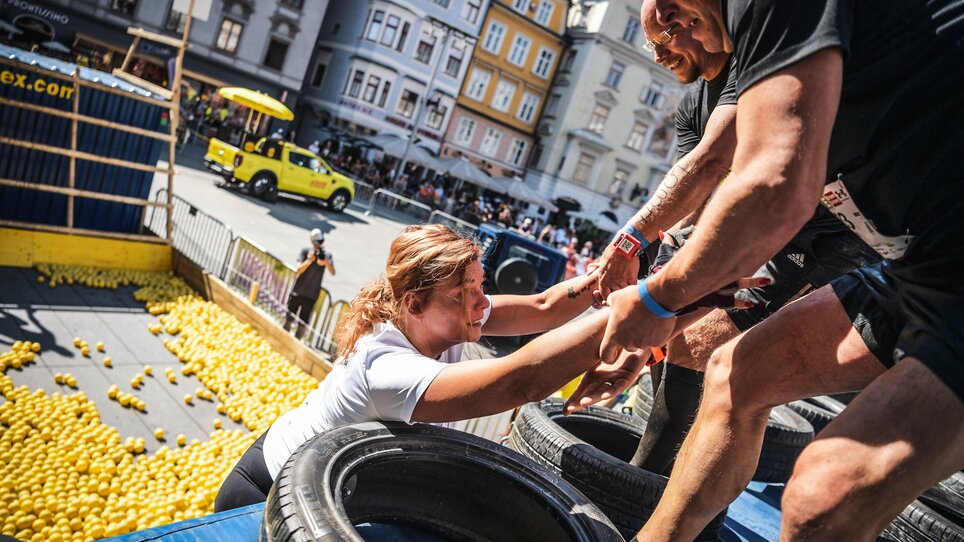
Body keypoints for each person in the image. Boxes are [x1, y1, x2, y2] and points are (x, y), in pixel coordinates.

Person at [578, 1, 964, 540]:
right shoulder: (730, 58)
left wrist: (657, 299)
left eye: (669, 22)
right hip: (920, 259)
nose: (665, 28)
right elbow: (724, 209)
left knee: (820, 499)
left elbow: (774, 188)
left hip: (918, 255)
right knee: (734, 374)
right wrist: (664, 308)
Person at [581, 3, 878, 476]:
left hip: (826, 224)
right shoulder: (691, 106)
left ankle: (638, 492)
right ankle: (653, 488)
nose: (659, 56)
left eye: (664, 39)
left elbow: (712, 166)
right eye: (650, 47)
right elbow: (689, 206)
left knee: (700, 346)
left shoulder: (752, 59)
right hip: (778, 222)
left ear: (690, 20)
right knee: (672, 340)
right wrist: (657, 281)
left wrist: (629, 246)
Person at [214, 224, 614, 511]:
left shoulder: (447, 319)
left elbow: (542, 307)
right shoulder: (387, 368)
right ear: (414, 303)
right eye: (463, 293)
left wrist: (605, 277)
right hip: (263, 491)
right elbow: (518, 383)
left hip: (321, 485)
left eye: (480, 284)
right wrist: (642, 309)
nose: (480, 302)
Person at [283, 229, 336, 340]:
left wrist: (325, 262)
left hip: (311, 295)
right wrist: (309, 261)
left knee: (303, 323)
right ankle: (282, 338)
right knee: (289, 318)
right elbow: (298, 270)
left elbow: (333, 272)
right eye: (316, 242)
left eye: (319, 242)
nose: (317, 245)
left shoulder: (326, 255)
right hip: (297, 291)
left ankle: (297, 342)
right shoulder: (305, 251)